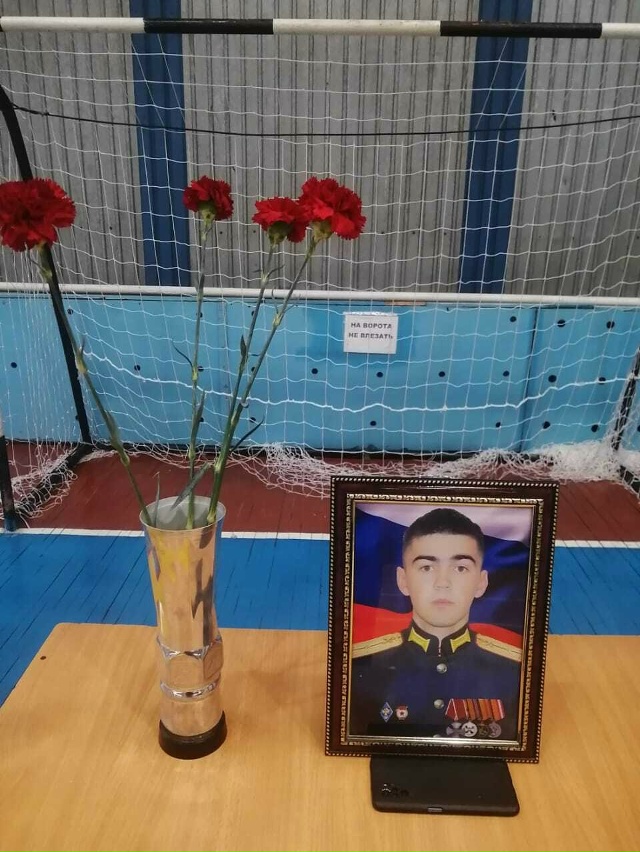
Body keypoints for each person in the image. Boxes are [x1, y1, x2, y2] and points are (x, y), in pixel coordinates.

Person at [349, 507, 522, 741]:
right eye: (427, 567)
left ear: (481, 583)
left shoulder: (512, 671)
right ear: (403, 580)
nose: (442, 583)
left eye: (460, 568)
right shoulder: (361, 668)